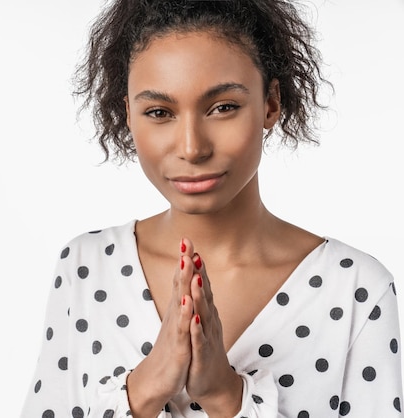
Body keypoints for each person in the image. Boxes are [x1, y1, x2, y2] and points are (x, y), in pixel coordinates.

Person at [20, 0, 403, 417]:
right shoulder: (86, 266)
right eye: (159, 112)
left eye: (223, 107)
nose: (192, 147)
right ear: (128, 115)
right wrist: (144, 389)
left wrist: (225, 396)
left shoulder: (354, 289)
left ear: (270, 104)